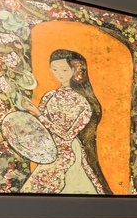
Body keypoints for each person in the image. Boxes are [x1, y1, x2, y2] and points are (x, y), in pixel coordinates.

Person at [19, 49, 110, 194]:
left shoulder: (84, 103)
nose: (59, 74)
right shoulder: (49, 96)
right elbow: (41, 126)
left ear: (75, 70)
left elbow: (68, 135)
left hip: (69, 152)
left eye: (64, 69)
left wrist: (36, 113)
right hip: (49, 150)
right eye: (54, 69)